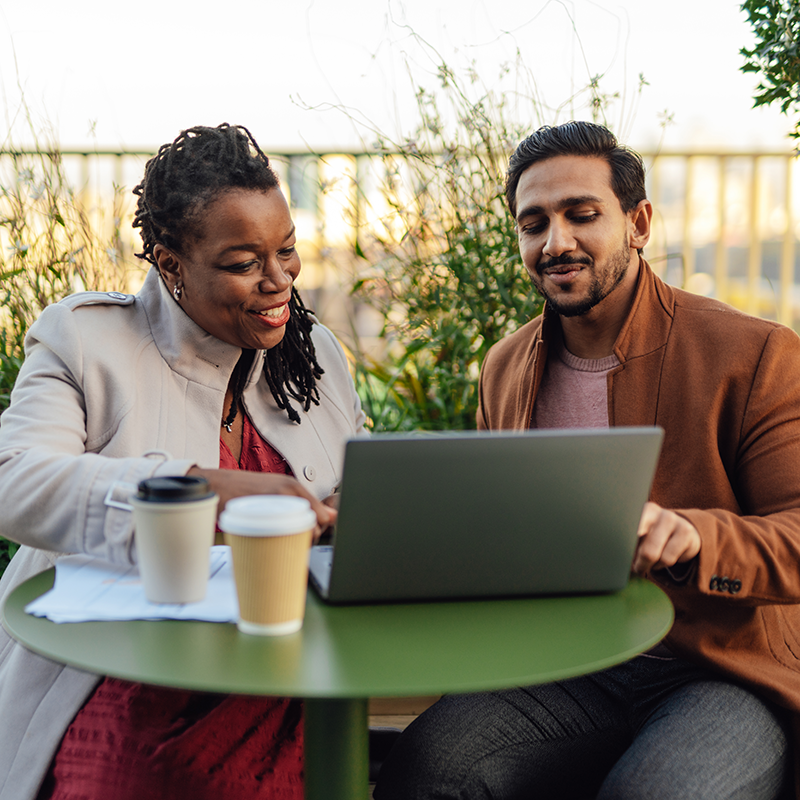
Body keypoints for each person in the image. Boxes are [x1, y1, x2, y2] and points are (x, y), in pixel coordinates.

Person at [375, 121, 800, 800]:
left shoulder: (754, 354)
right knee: (429, 772)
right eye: (533, 222)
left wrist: (696, 536)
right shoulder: (504, 367)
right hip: (567, 664)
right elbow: (497, 530)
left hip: (719, 669)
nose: (556, 241)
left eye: (582, 215)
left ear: (638, 223)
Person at [0, 123, 366, 800]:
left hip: (281, 666)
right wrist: (193, 490)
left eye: (287, 251)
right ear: (170, 265)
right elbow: (15, 483)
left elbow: (347, 494)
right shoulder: (84, 341)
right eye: (242, 263)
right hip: (120, 673)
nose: (279, 280)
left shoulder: (313, 356)